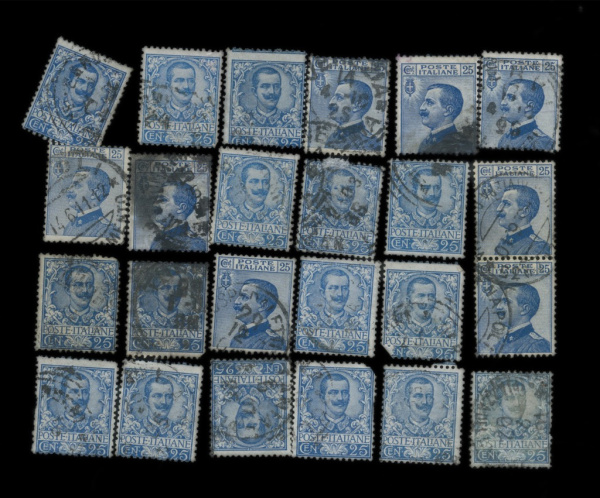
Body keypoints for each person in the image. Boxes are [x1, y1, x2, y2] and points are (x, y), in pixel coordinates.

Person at [63, 166, 120, 239]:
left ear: (94, 194)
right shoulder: (69, 226)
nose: (69, 190)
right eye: (71, 185)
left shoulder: (106, 230)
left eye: (77, 186)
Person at [493, 284, 551, 354]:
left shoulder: (536, 345)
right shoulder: (500, 344)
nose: (498, 307)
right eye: (500, 302)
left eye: (506, 302)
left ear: (524, 309)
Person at [498, 79, 554, 151]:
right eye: (504, 98)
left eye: (511, 97)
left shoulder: (542, 142)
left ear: (529, 106)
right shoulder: (504, 139)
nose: (502, 103)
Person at [325, 79, 381, 151]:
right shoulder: (332, 137)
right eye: (334, 97)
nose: (331, 102)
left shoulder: (370, 143)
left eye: (339, 97)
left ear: (358, 105)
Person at [151, 180, 207, 251]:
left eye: (163, 200)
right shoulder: (158, 240)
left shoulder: (195, 245)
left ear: (181, 208)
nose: (155, 204)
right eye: (156, 200)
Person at [494, 185, 551, 255]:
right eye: (501, 203)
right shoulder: (502, 243)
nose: (498, 209)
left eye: (507, 204)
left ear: (525, 211)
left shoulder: (538, 247)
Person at [418, 83, 475, 153]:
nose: (422, 108)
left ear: (448, 110)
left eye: (430, 103)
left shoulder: (459, 146)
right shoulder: (425, 142)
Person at [230, 279, 284, 350]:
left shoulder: (273, 342)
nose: (236, 302)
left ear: (263, 305)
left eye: (245, 297)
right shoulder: (238, 336)